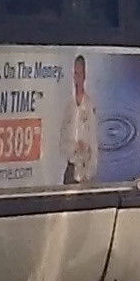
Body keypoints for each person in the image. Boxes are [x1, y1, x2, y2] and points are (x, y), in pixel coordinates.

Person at [61, 55, 99, 185]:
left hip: (84, 171)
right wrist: (73, 146)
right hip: (71, 168)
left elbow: (94, 142)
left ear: (85, 75)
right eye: (75, 73)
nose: (77, 77)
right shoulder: (68, 106)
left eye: (80, 73)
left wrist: (89, 172)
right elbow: (61, 142)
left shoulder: (89, 106)